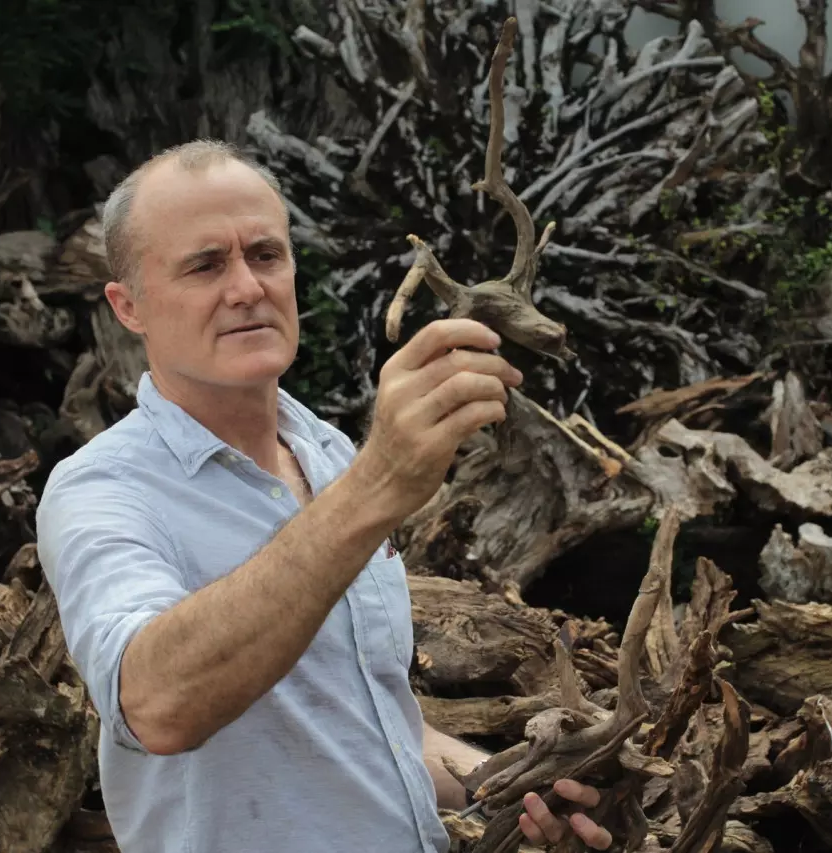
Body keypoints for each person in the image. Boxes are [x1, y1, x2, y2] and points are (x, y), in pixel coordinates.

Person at [35, 139, 613, 853]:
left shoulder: (330, 453)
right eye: (206, 264)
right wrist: (378, 485)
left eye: (266, 254)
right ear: (130, 307)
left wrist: (514, 781)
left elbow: (368, 722)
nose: (247, 286)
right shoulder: (101, 488)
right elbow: (156, 703)